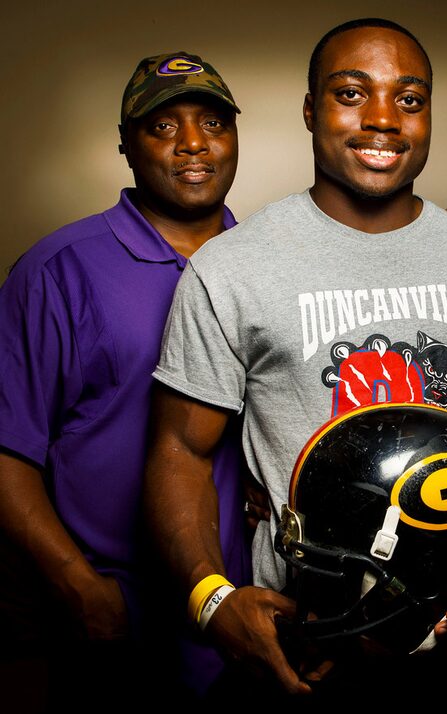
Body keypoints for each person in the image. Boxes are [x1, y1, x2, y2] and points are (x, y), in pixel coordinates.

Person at [143, 17, 447, 705]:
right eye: (351, 93)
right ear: (311, 111)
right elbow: (179, 452)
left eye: (409, 99)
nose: (383, 120)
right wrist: (212, 600)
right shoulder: (231, 269)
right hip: (311, 650)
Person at [0, 51, 252, 710]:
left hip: (245, 621)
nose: (194, 143)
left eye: (212, 122)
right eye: (163, 126)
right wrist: (79, 586)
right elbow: (7, 452)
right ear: (126, 145)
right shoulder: (58, 271)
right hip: (117, 623)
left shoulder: (266, 265)